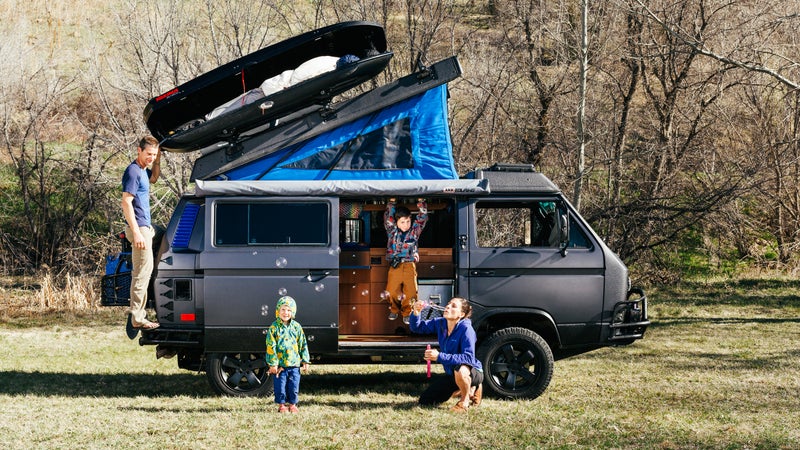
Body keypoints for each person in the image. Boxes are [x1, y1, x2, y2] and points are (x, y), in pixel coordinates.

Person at [409, 297, 484, 413]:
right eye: (448, 304)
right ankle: (470, 389)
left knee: (461, 369)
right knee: (425, 400)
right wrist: (416, 312)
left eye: (453, 306)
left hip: (472, 370)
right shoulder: (440, 323)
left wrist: (439, 356)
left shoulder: (466, 329)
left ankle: (464, 402)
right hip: (452, 374)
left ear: (461, 314)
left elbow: (468, 358)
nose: (448, 306)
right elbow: (417, 328)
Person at [121, 136, 161, 331]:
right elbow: (126, 202)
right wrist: (136, 233)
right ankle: (137, 316)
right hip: (140, 228)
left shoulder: (144, 171)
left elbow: (154, 178)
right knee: (142, 273)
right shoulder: (133, 172)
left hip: (147, 227)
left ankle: (142, 310)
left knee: (147, 269)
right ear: (139, 150)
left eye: (154, 154)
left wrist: (158, 160)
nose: (151, 158)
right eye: (148, 154)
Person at [384, 198, 428, 324]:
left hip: (409, 265)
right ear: (396, 222)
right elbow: (388, 217)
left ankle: (407, 312)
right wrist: (391, 203)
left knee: (411, 291)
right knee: (391, 290)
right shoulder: (392, 231)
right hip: (395, 265)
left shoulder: (414, 231)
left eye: (408, 221)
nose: (406, 224)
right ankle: (394, 309)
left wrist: (421, 202)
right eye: (402, 222)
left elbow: (422, 217)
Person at [266, 295, 310, 413]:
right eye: (283, 309)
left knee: (293, 386)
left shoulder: (296, 327)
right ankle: (281, 405)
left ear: (293, 312)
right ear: (278, 311)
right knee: (280, 386)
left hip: (294, 364)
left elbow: (303, 343)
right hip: (280, 365)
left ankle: (292, 404)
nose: (286, 313)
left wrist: (305, 360)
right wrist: (273, 363)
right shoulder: (274, 328)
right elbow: (271, 347)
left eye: (289, 310)